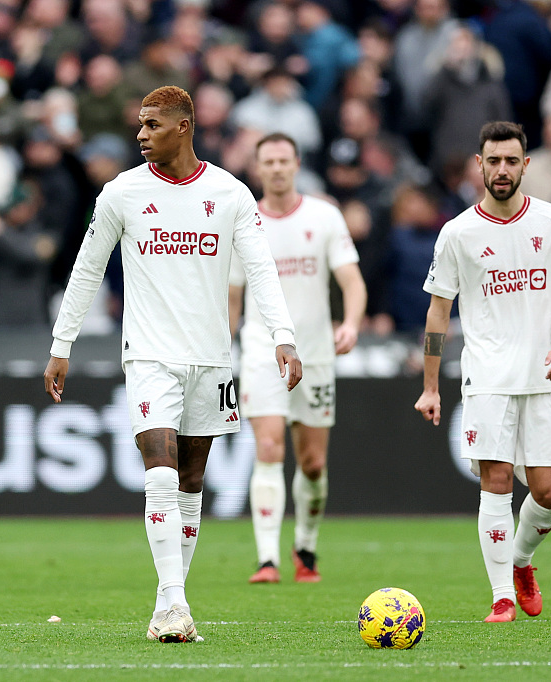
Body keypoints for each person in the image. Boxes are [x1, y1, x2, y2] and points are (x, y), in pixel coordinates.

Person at [43, 86, 302, 643]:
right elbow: (88, 268)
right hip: (149, 356)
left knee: (190, 481)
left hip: (212, 359)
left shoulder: (230, 193)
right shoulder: (121, 193)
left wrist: (283, 336)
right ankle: (172, 605)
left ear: (183, 127)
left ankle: (173, 604)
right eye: (139, 124)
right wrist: (62, 343)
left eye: (152, 125)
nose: (141, 134)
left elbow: (261, 269)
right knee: (158, 472)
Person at [414, 121, 551, 623]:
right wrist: (430, 386)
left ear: (526, 165)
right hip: (486, 376)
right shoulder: (458, 233)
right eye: (494, 161)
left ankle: (521, 561)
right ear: (480, 165)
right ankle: (500, 598)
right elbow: (437, 313)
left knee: (549, 492)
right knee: (495, 480)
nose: (503, 170)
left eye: (512, 161)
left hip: (546, 375)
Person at [228, 132, 365, 584]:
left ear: (297, 163)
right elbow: (232, 296)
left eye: (285, 160)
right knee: (268, 447)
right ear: (258, 168)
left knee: (312, 463)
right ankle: (267, 559)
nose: (277, 168)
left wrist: (351, 321)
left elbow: (351, 279)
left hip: (316, 355)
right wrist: (220, 346)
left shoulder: (324, 216)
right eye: (269, 162)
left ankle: (305, 548)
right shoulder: (243, 221)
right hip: (261, 353)